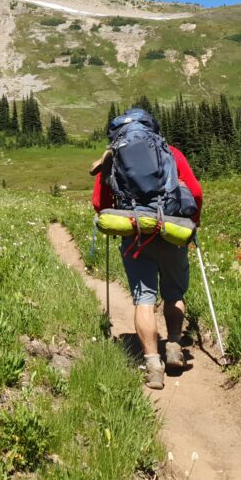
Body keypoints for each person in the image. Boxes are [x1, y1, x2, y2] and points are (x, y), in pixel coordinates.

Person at [91, 110, 203, 390]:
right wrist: (192, 224)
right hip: (171, 230)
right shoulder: (171, 152)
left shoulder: (113, 156)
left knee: (144, 299)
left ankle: (153, 364)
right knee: (174, 293)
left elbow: (99, 201)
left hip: (136, 235)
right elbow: (196, 192)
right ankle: (175, 345)